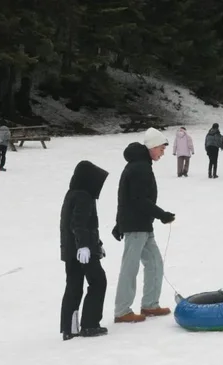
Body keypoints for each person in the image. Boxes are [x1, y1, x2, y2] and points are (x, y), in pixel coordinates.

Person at [112, 127, 176, 323]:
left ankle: (150, 304)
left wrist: (118, 222)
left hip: (142, 225)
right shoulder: (139, 167)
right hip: (136, 225)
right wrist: (162, 215)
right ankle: (122, 310)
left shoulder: (140, 165)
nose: (163, 153)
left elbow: (125, 196)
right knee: (130, 267)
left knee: (155, 263)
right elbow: (138, 199)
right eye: (161, 149)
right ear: (152, 146)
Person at [59, 160, 110, 340]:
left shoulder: (72, 194)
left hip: (72, 250)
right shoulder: (83, 196)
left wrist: (98, 243)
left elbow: (83, 225)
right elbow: (78, 224)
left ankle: (69, 328)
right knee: (98, 282)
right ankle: (89, 324)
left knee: (73, 286)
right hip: (83, 251)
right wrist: (85, 247)